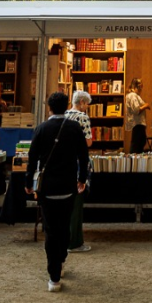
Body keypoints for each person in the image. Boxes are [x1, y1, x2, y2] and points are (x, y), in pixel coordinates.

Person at [26, 91, 91, 291]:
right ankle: (61, 260)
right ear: (66, 106)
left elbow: (32, 158)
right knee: (63, 227)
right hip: (68, 186)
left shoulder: (41, 129)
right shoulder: (74, 128)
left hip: (47, 188)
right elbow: (83, 156)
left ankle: (54, 277)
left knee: (50, 230)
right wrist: (81, 180)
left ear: (49, 108)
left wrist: (29, 182)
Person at [64, 90, 94, 253]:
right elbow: (88, 142)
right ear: (81, 102)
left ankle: (65, 239)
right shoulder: (83, 117)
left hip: (63, 162)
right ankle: (75, 241)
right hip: (77, 162)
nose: (87, 108)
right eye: (86, 104)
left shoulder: (64, 114)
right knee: (77, 202)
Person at [123, 78, 149, 153]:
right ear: (137, 86)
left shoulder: (135, 96)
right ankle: (133, 161)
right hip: (137, 123)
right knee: (137, 144)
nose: (141, 89)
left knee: (141, 142)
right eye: (141, 86)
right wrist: (146, 106)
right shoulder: (133, 95)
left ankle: (136, 160)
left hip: (139, 123)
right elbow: (136, 110)